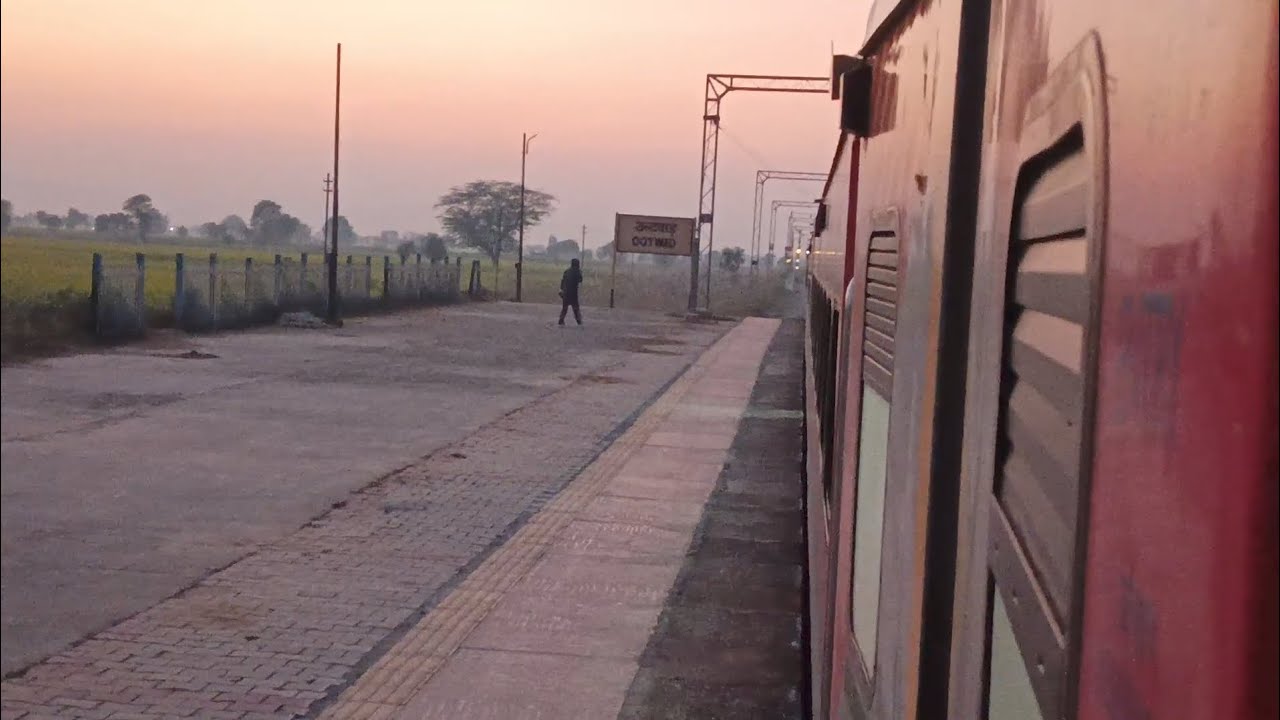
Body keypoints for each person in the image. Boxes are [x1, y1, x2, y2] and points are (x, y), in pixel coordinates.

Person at [558, 258, 583, 326]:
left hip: (566, 292)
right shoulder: (577, 272)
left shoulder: (566, 271)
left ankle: (561, 320)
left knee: (564, 308)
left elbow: (562, 281)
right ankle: (579, 321)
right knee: (576, 308)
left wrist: (561, 289)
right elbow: (580, 280)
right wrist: (580, 273)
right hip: (573, 293)